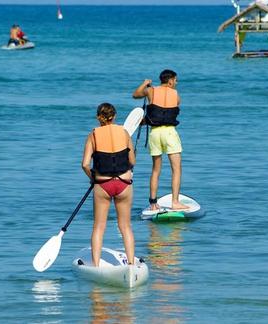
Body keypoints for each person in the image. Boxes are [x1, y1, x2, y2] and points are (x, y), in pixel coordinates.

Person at [81, 103, 136, 267]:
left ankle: (96, 266)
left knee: (98, 227)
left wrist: (92, 178)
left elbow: (84, 164)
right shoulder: (124, 132)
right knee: (125, 226)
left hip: (103, 184)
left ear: (99, 117)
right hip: (124, 183)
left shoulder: (93, 135)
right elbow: (132, 161)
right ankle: (131, 265)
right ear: (114, 117)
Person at [132, 70, 189, 211]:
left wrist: (145, 84)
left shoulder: (151, 91)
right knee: (176, 170)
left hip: (155, 134)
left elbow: (136, 95)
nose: (176, 83)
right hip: (169, 133)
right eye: (175, 80)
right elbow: (168, 111)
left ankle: (153, 203)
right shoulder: (176, 95)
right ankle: (175, 202)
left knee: (156, 169)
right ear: (170, 80)